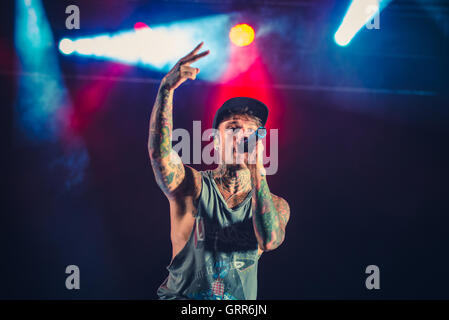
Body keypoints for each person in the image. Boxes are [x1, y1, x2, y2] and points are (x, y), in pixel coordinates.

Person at [148, 42, 290, 300]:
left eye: (251, 132)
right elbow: (160, 155)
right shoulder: (192, 185)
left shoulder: (277, 206)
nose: (242, 137)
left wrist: (258, 170)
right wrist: (166, 90)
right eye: (234, 128)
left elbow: (269, 240)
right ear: (215, 141)